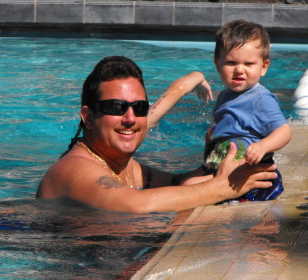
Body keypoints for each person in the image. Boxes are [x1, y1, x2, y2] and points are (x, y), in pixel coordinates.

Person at [36, 56, 277, 213]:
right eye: (116, 108)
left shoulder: (124, 167)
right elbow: (137, 205)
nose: (130, 118)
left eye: (139, 108)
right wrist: (224, 187)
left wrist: (212, 164)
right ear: (87, 117)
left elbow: (176, 183)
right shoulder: (74, 169)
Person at [204, 20, 291, 201]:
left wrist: (262, 146)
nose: (239, 70)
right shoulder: (224, 96)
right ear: (217, 63)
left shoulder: (261, 98)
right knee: (186, 185)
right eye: (230, 62)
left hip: (250, 175)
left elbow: (284, 131)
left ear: (264, 67)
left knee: (192, 189)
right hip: (224, 170)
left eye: (249, 64)